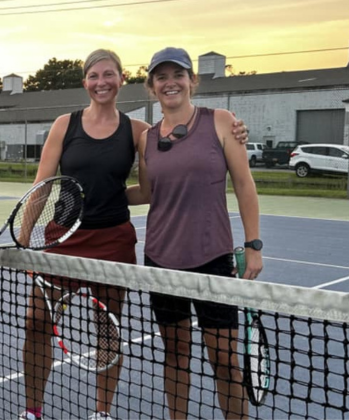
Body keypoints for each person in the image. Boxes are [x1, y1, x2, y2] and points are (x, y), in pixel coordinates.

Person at [21, 49, 249, 420]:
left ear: (121, 79)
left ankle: (101, 412)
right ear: (85, 82)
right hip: (63, 239)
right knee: (36, 322)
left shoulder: (140, 132)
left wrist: (234, 130)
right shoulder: (66, 124)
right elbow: (42, 184)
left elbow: (162, 172)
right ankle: (33, 411)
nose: (101, 82)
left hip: (113, 240)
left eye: (108, 74)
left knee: (107, 330)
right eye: (94, 76)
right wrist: (23, 238)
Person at [129, 47, 264, 420]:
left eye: (178, 75)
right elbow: (146, 194)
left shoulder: (222, 121)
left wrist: (253, 245)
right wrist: (100, 199)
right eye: (161, 77)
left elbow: (244, 184)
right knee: (176, 357)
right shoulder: (146, 139)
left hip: (213, 261)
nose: (170, 83)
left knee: (224, 361)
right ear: (151, 87)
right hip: (161, 261)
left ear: (192, 81)